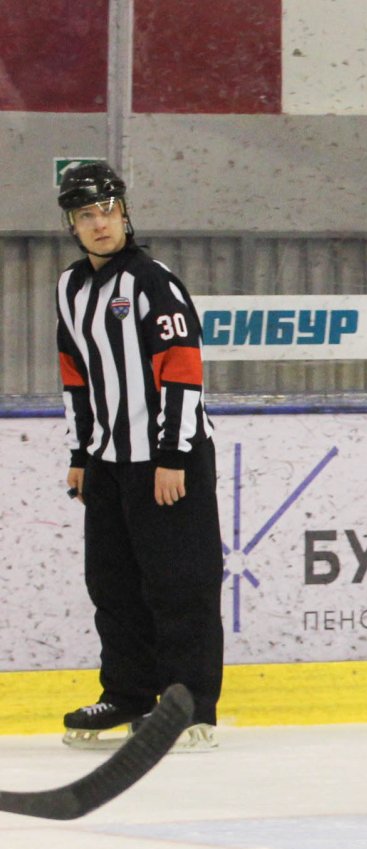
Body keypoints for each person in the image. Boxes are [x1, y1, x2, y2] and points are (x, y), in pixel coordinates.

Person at [55, 161, 222, 751]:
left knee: (179, 586)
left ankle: (190, 706)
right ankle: (128, 696)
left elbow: (182, 370)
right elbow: (74, 375)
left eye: (108, 211)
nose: (99, 223)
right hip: (107, 462)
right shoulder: (70, 288)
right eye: (86, 215)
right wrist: (81, 452)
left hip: (167, 459)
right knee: (114, 587)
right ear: (72, 226)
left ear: (124, 214)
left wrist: (172, 456)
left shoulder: (153, 281)